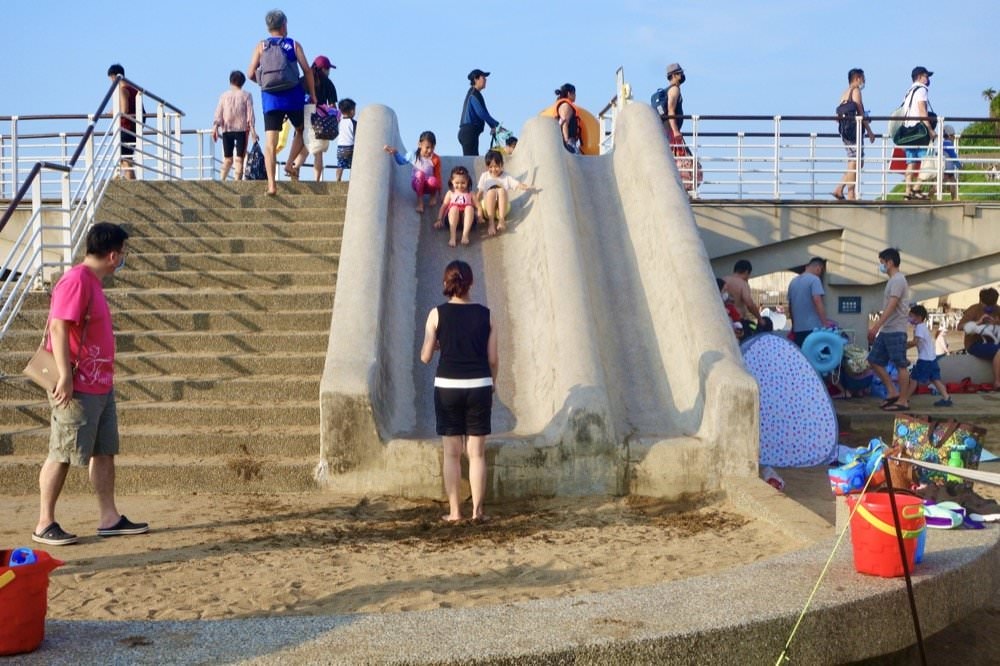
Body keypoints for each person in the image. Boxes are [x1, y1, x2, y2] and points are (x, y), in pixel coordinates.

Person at [32, 222, 149, 546]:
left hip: (99, 384)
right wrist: (66, 377)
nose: (123, 258)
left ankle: (109, 517)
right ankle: (44, 521)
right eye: (123, 253)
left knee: (104, 451)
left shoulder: (92, 283)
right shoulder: (77, 280)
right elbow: (58, 327)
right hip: (79, 385)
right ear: (113, 254)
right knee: (62, 451)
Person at [419, 260, 498, 523]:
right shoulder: (486, 314)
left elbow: (425, 357)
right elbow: (493, 358)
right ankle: (477, 511)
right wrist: (492, 383)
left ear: (446, 283)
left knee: (452, 453)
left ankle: (455, 512)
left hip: (448, 387)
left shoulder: (436, 314)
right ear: (471, 284)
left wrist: (440, 343)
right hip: (479, 386)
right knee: (476, 453)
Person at [247, 9, 316, 196]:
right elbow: (307, 70)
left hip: (271, 99)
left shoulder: (261, 46)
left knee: (271, 143)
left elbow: (250, 73)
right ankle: (289, 163)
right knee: (302, 130)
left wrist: (264, 83)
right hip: (293, 96)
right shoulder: (293, 45)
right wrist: (314, 95)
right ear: (284, 25)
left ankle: (271, 186)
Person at [868, 248, 911, 410]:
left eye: (882, 263)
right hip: (887, 330)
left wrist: (875, 327)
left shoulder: (898, 280)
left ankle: (903, 400)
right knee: (873, 360)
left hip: (896, 329)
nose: (881, 266)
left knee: (901, 365)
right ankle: (892, 392)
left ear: (890, 262)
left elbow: (892, 306)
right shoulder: (893, 280)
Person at [290, 55, 338, 182]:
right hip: (320, 117)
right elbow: (333, 106)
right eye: (328, 69)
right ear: (324, 69)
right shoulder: (328, 83)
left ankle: (294, 176)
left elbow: (294, 99)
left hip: (303, 114)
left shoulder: (303, 80)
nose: (329, 72)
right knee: (318, 150)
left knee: (302, 145)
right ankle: (316, 181)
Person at [832, 68, 877, 201]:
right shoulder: (855, 91)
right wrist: (869, 131)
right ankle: (850, 193)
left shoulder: (844, 94)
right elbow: (860, 111)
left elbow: (838, 115)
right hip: (853, 131)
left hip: (845, 131)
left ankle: (839, 189)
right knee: (854, 161)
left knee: (857, 162)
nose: (864, 81)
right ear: (857, 78)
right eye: (863, 78)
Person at [900, 305, 953, 407]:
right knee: (935, 379)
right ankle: (946, 397)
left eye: (911, 316)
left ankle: (904, 400)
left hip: (924, 360)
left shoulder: (919, 327)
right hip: (932, 359)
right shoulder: (923, 327)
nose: (909, 318)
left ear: (919, 317)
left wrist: (903, 347)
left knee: (914, 379)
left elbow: (915, 342)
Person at [211, 70, 258, 182]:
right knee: (239, 159)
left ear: (230, 82)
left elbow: (218, 112)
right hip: (242, 130)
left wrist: (215, 127)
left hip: (227, 130)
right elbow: (250, 115)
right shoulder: (247, 95)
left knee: (227, 159)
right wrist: (253, 131)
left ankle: (222, 179)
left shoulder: (224, 96)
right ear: (242, 83)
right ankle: (237, 181)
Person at [900, 66, 936, 200]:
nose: (928, 79)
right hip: (919, 131)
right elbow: (922, 111)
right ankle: (917, 189)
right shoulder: (922, 90)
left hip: (908, 130)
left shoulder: (909, 91)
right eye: (926, 76)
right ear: (920, 77)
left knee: (911, 162)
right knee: (927, 160)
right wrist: (930, 130)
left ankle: (907, 191)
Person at [384, 130, 442, 213]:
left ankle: (432, 195)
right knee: (419, 174)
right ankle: (420, 201)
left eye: (432, 148)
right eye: (427, 147)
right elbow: (401, 161)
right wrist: (396, 153)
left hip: (428, 185)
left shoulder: (435, 158)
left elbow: (438, 175)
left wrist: (439, 193)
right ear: (419, 144)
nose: (429, 151)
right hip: (417, 183)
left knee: (434, 180)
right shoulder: (413, 154)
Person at [476, 150, 532, 236]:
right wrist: (475, 207)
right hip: (487, 210)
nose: (494, 169)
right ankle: (491, 224)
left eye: (496, 166)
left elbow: (517, 184)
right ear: (487, 167)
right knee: (491, 192)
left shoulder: (506, 176)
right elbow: (480, 193)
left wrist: (526, 187)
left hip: (500, 211)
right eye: (490, 167)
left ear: (502, 165)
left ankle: (501, 220)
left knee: (501, 190)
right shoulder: (485, 176)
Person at [957, 287, 1000, 391]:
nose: (990, 307)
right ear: (981, 301)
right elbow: (960, 327)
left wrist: (996, 323)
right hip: (974, 343)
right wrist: (977, 323)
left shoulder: (998, 309)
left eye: (992, 305)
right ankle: (997, 382)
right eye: (987, 305)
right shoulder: (974, 309)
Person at [787, 257, 832, 347]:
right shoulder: (814, 280)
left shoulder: (793, 282)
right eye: (821, 271)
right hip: (813, 328)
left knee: (801, 356)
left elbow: (790, 306)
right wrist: (824, 323)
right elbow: (817, 300)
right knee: (814, 357)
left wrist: (794, 324)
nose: (820, 274)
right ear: (818, 268)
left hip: (798, 329)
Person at [107, 64, 139, 180]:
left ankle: (131, 184)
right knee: (127, 160)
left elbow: (124, 110)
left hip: (126, 128)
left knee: (124, 160)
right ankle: (134, 184)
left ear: (114, 77)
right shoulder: (134, 90)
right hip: (133, 128)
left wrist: (113, 113)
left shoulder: (122, 89)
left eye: (111, 78)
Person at [458, 69, 499, 156]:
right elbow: (481, 113)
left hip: (469, 133)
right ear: (476, 79)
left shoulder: (476, 94)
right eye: (483, 77)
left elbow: (485, 113)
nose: (485, 80)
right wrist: (496, 124)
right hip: (468, 132)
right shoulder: (474, 94)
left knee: (473, 157)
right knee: (471, 161)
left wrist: (493, 125)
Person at [440, 166, 476, 247]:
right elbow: (444, 206)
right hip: (452, 221)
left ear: (467, 182)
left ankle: (465, 235)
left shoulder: (471, 193)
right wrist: (439, 219)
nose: (460, 185)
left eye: (463, 183)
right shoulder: (450, 193)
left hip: (467, 221)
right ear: (452, 182)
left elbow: (478, 207)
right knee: (454, 208)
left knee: (469, 208)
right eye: (457, 183)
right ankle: (453, 237)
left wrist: (480, 216)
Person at [722, 260, 760, 325]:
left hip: (723, 320)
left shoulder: (723, 280)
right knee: (752, 327)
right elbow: (749, 304)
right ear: (746, 272)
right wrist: (760, 318)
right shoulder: (743, 284)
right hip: (738, 321)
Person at [661, 63, 686, 146]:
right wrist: (675, 131)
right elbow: (670, 110)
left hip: (668, 131)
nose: (682, 75)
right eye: (680, 73)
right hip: (671, 133)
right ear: (674, 75)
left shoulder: (669, 89)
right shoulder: (674, 89)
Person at [553, 83, 581, 153]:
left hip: (568, 141)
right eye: (574, 93)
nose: (575, 96)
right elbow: (564, 123)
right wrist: (567, 142)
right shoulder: (566, 106)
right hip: (569, 141)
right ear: (569, 93)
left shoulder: (564, 105)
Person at [335, 98, 357, 182]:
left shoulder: (339, 122)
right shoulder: (353, 123)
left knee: (340, 165)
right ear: (352, 111)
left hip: (340, 147)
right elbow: (356, 135)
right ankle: (353, 180)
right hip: (350, 147)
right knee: (354, 165)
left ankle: (338, 179)